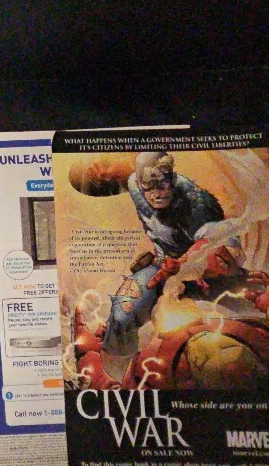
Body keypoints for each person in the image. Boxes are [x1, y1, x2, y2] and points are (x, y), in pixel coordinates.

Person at [97, 150, 247, 357]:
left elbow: (224, 241)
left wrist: (192, 261)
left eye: (162, 184)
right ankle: (118, 364)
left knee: (244, 316)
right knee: (122, 315)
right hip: (161, 268)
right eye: (149, 186)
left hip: (205, 274)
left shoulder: (196, 202)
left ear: (172, 179)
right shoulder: (134, 185)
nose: (157, 193)